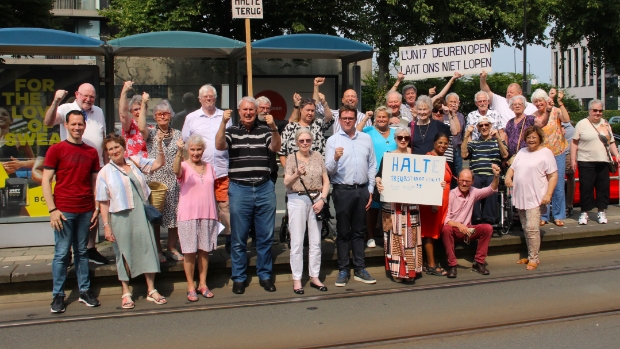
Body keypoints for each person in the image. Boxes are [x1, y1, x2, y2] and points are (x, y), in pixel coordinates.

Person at [215, 96, 281, 294]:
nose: (248, 113)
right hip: (240, 188)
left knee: (265, 236)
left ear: (257, 111)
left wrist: (275, 128)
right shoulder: (232, 131)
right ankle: (239, 277)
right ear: (239, 111)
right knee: (239, 237)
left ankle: (265, 275)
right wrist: (223, 123)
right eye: (244, 110)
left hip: (264, 187)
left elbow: (276, 148)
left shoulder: (265, 130)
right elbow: (219, 146)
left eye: (251, 110)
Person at [97, 133, 167, 308]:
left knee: (147, 248)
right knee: (124, 253)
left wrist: (159, 144)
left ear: (123, 147)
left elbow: (158, 164)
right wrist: (106, 226)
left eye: (117, 147)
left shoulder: (134, 162)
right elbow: (103, 202)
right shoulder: (104, 172)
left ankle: (151, 289)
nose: (114, 151)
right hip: (120, 216)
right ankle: (126, 292)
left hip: (141, 213)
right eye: (110, 149)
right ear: (107, 152)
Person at [42, 110, 101, 313]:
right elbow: (45, 181)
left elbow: (95, 182)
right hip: (64, 211)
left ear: (85, 126)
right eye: (73, 124)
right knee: (61, 254)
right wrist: (52, 210)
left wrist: (96, 207)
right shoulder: (56, 150)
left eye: (80, 124)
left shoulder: (91, 152)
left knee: (82, 252)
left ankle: (84, 291)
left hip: (85, 209)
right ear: (66, 125)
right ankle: (58, 295)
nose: (77, 128)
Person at [44, 83, 108, 265]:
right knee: (71, 210)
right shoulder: (66, 108)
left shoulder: (99, 111)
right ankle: (69, 252)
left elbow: (102, 139)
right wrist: (56, 100)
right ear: (77, 95)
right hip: (72, 166)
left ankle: (90, 249)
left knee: (92, 208)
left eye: (92, 97)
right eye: (85, 96)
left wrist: (106, 165)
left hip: (95, 166)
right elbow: (48, 122)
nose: (88, 99)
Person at [325, 105, 377, 287]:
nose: (347, 121)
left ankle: (360, 268)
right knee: (343, 232)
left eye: (350, 118)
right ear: (339, 120)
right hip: (342, 190)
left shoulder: (366, 138)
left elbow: (372, 165)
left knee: (359, 231)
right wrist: (336, 158)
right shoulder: (332, 140)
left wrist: (370, 189)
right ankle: (343, 269)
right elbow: (328, 170)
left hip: (362, 189)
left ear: (356, 119)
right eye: (344, 118)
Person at [182, 84, 232, 252]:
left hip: (222, 168)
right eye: (205, 97)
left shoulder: (224, 116)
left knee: (224, 206)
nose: (209, 99)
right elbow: (185, 144)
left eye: (211, 97)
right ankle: (206, 240)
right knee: (204, 207)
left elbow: (230, 140)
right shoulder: (191, 118)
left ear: (216, 98)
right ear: (200, 99)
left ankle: (229, 238)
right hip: (200, 172)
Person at [283, 128, 330, 294]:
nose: (305, 143)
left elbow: (326, 181)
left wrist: (322, 200)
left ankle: (314, 276)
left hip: (316, 199)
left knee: (316, 241)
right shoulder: (291, 158)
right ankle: (297, 279)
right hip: (297, 199)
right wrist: (296, 173)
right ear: (297, 142)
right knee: (297, 241)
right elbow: (286, 182)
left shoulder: (317, 156)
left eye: (308, 141)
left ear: (312, 141)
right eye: (302, 141)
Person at [505, 126, 558, 270]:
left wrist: (548, 194)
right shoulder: (522, 152)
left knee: (532, 227)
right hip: (520, 195)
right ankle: (530, 255)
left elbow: (553, 176)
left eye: (534, 137)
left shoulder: (546, 153)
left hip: (536, 196)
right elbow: (512, 168)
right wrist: (508, 177)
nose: (531, 140)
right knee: (525, 228)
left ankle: (534, 258)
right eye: (528, 137)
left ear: (540, 138)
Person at [375, 126, 424, 282]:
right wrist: (378, 182)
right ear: (395, 139)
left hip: (410, 206)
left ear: (410, 139)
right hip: (392, 206)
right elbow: (379, 176)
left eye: (406, 138)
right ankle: (397, 272)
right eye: (400, 138)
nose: (403, 140)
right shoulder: (388, 157)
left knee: (411, 238)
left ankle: (411, 271)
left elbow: (426, 179)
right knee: (393, 238)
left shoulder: (416, 157)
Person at [138, 94, 184, 262]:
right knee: (156, 216)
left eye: (165, 113)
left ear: (170, 115)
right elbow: (140, 125)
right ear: (155, 117)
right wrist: (144, 103)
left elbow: (182, 156)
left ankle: (171, 247)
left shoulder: (178, 133)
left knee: (174, 216)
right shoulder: (151, 133)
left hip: (173, 181)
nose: (162, 116)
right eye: (159, 114)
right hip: (155, 181)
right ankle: (157, 249)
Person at [173, 135, 219, 301]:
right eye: (192, 149)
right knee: (189, 252)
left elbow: (211, 190)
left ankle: (203, 284)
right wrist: (179, 152)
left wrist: (218, 212)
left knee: (204, 250)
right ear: (188, 150)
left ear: (203, 150)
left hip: (208, 213)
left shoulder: (209, 167)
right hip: (188, 215)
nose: (196, 152)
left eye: (199, 149)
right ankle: (190, 286)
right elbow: (176, 171)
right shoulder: (184, 165)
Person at [442, 166, 501, 278]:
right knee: (446, 229)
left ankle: (478, 263)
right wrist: (459, 225)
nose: (464, 184)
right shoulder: (451, 194)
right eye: (462, 180)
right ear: (457, 180)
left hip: (467, 230)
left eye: (467, 181)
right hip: (454, 229)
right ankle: (452, 265)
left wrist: (496, 176)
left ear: (472, 182)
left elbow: (490, 189)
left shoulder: (473, 192)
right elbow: (446, 219)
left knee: (488, 228)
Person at [571, 99, 620, 225]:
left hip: (603, 160)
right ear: (590, 111)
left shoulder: (606, 124)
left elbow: (611, 142)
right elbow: (574, 142)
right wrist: (573, 159)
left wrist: (617, 155)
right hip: (585, 160)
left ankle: (601, 211)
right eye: (595, 110)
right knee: (586, 187)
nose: (598, 113)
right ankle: (584, 212)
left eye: (600, 111)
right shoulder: (582, 124)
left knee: (603, 187)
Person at [357, 106, 397, 248]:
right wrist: (366, 118)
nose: (381, 119)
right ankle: (371, 236)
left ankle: (389, 235)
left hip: (393, 174)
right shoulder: (369, 132)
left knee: (389, 206)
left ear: (389, 119)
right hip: (374, 173)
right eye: (378, 117)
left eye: (384, 117)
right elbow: (356, 131)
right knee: (373, 207)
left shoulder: (395, 132)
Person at [531, 89, 569, 227]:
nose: (538, 103)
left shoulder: (555, 111)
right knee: (544, 186)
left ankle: (558, 215)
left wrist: (560, 103)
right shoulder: (534, 116)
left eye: (540, 100)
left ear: (546, 100)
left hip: (558, 151)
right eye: (535, 101)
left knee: (558, 185)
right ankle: (544, 215)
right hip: (542, 154)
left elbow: (566, 119)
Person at [461, 116, 508, 224]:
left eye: (486, 125)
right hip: (477, 174)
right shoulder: (473, 143)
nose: (484, 127)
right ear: (478, 128)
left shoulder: (498, 141)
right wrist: (466, 136)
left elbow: (505, 154)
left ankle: (489, 218)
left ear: (491, 126)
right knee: (474, 183)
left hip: (493, 174)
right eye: (481, 125)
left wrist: (498, 139)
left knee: (492, 183)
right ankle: (476, 217)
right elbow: (464, 154)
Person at [418, 133, 452, 276]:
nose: (443, 146)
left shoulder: (441, 159)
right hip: (433, 204)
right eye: (440, 143)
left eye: (445, 143)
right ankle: (431, 265)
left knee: (434, 232)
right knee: (429, 233)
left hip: (441, 204)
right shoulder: (430, 159)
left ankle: (431, 262)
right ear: (434, 143)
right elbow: (428, 183)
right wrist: (433, 202)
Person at [391, 71, 463, 121]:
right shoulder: (401, 107)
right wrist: (398, 80)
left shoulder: (423, 104)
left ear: (416, 94)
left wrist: (452, 79)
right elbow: (390, 96)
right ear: (404, 96)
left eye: (412, 93)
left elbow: (440, 95)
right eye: (408, 94)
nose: (410, 95)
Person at [279, 97, 326, 168]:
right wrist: (287, 170)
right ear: (300, 110)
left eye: (312, 110)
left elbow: (330, 119)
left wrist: (324, 103)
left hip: (316, 171)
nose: (310, 113)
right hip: (295, 172)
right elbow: (281, 152)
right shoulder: (290, 127)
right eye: (307, 110)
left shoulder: (318, 124)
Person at [257, 96, 288, 184]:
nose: (265, 110)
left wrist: (296, 106)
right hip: (254, 172)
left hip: (270, 172)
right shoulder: (251, 123)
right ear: (256, 108)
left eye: (267, 108)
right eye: (262, 108)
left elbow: (291, 121)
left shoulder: (273, 123)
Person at [0, 106, 35, 178]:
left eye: (4, 114)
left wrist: (20, 164)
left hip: (10, 179)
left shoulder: (19, 138)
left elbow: (34, 161)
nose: (0, 116)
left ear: (11, 120)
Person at [118, 81, 148, 158]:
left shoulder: (151, 128)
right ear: (131, 112)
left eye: (141, 109)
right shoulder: (130, 124)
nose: (139, 112)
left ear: (146, 110)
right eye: (135, 109)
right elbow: (123, 113)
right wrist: (124, 91)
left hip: (147, 166)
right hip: (131, 166)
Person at [444, 93, 466, 177]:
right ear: (446, 103)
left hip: (457, 150)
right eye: (451, 102)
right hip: (446, 150)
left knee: (459, 175)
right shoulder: (442, 114)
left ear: (458, 103)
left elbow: (461, 133)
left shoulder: (461, 116)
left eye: (455, 102)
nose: (453, 104)